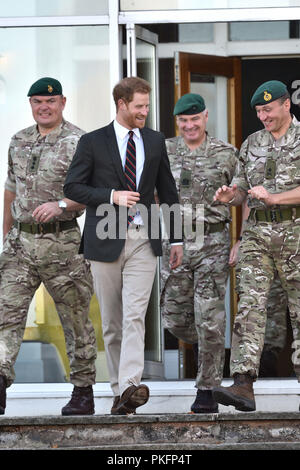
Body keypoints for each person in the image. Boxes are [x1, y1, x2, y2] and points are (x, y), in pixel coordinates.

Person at [64, 76, 183, 415]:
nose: (145, 111)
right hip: (104, 239)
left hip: (143, 240)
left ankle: (131, 385)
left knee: (135, 317)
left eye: (147, 105)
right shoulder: (92, 142)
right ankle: (119, 393)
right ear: (121, 104)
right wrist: (111, 196)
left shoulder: (155, 141)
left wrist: (175, 237)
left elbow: (169, 191)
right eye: (140, 106)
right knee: (113, 323)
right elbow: (72, 187)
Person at [0, 77, 97, 416]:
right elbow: (10, 190)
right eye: (38, 101)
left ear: (63, 103)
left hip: (63, 244)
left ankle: (83, 391)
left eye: (50, 101)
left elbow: (90, 193)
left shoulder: (79, 142)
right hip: (20, 246)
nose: (44, 106)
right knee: (5, 316)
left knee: (75, 320)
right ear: (31, 104)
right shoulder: (19, 140)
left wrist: (62, 204)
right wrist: (7, 237)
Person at [213, 80, 300, 412]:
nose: (263, 116)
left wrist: (275, 197)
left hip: (295, 233)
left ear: (286, 104)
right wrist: (229, 196)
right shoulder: (252, 144)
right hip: (257, 235)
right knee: (249, 305)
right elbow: (242, 191)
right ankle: (243, 383)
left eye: (268, 109)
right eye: (259, 111)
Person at [160, 93, 238, 413]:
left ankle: (207, 388)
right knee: (175, 318)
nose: (189, 126)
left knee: (209, 316)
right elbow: (151, 192)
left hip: (213, 243)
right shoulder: (164, 150)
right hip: (175, 244)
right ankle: (212, 344)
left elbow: (243, 196)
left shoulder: (226, 154)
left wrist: (240, 239)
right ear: (177, 121)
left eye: (194, 119)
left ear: (206, 117)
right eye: (183, 121)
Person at [229, 202, 288, 378]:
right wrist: (241, 239)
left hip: (293, 236)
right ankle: (264, 362)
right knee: (259, 300)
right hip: (261, 237)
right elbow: (248, 197)